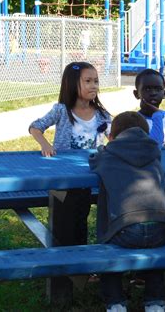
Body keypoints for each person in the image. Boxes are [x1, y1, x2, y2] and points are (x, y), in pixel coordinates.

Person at [89, 111, 165, 312]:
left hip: (125, 228)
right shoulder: (155, 153)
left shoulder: (108, 155)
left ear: (112, 136)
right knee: (153, 248)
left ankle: (115, 303)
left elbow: (93, 161)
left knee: (107, 246)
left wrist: (104, 147)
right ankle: (155, 303)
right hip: (161, 228)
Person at [29, 61, 111, 247]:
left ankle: (80, 266)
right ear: (72, 84)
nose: (94, 86)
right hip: (64, 177)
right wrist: (45, 145)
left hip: (89, 176)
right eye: (88, 81)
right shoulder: (61, 110)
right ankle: (63, 265)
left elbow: (114, 135)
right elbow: (35, 127)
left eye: (96, 81)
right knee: (64, 221)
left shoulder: (101, 114)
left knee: (81, 219)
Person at [134, 69, 165, 148]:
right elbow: (154, 146)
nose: (153, 93)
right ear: (136, 94)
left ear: (164, 94)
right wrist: (157, 115)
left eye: (158, 89)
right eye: (147, 89)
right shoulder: (133, 122)